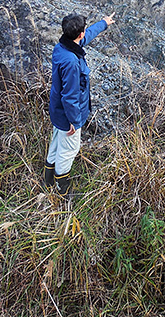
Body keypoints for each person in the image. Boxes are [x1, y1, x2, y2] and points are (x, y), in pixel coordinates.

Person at [44, 11, 115, 195]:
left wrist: (103, 23)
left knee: (57, 143)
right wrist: (74, 122)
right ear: (79, 34)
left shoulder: (62, 47)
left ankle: (48, 180)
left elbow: (86, 36)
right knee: (69, 150)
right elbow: (70, 97)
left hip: (58, 112)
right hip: (67, 116)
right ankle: (62, 189)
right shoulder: (72, 63)